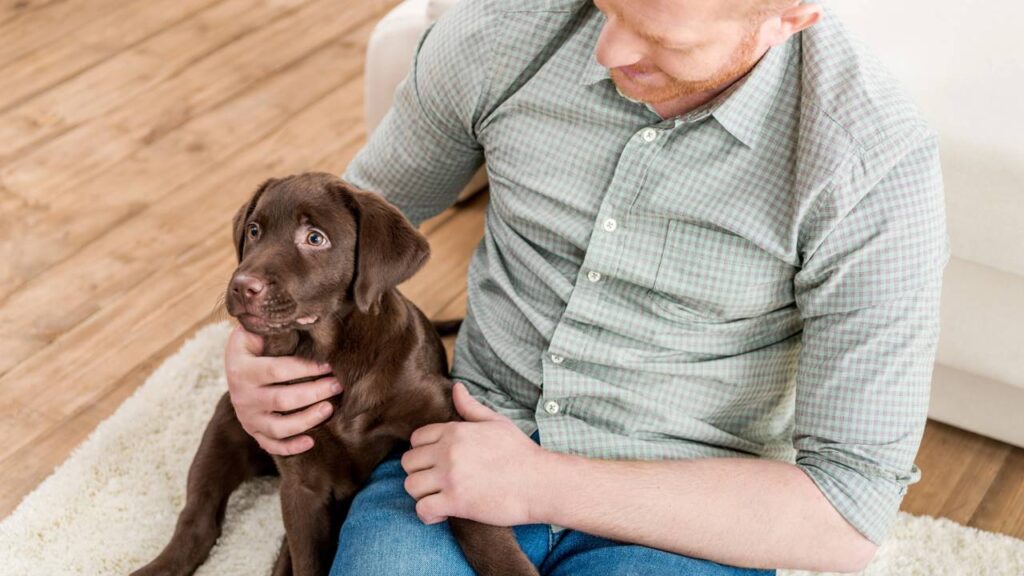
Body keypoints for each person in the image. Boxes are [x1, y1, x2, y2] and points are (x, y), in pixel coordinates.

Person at [223, 0, 951, 573]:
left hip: (682, 506)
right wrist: (250, 356)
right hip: (452, 449)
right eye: (608, 5)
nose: (606, 50)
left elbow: (847, 512)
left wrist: (541, 483)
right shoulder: (501, 31)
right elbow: (343, 235)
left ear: (788, 17)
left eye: (660, 37)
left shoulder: (870, 164)